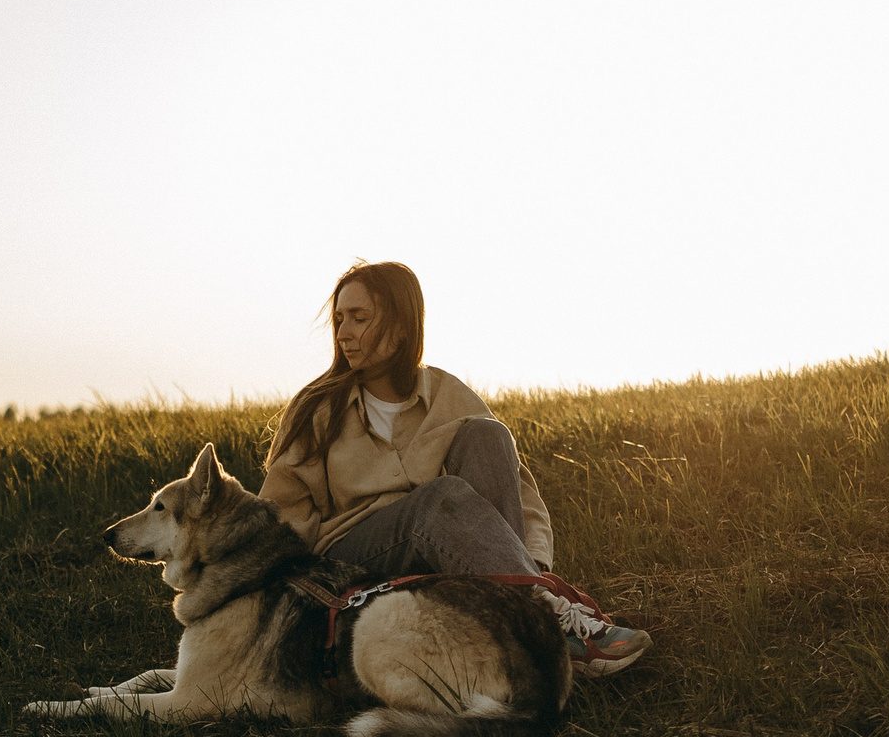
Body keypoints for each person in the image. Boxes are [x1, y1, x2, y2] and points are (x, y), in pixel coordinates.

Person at [257, 260, 650, 675]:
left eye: (359, 318)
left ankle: (525, 603)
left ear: (402, 325)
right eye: (339, 319)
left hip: (438, 555)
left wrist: (529, 564)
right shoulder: (318, 407)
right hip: (352, 562)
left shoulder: (450, 396)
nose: (343, 333)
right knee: (437, 501)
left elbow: (519, 492)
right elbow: (280, 514)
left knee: (487, 434)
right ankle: (546, 619)